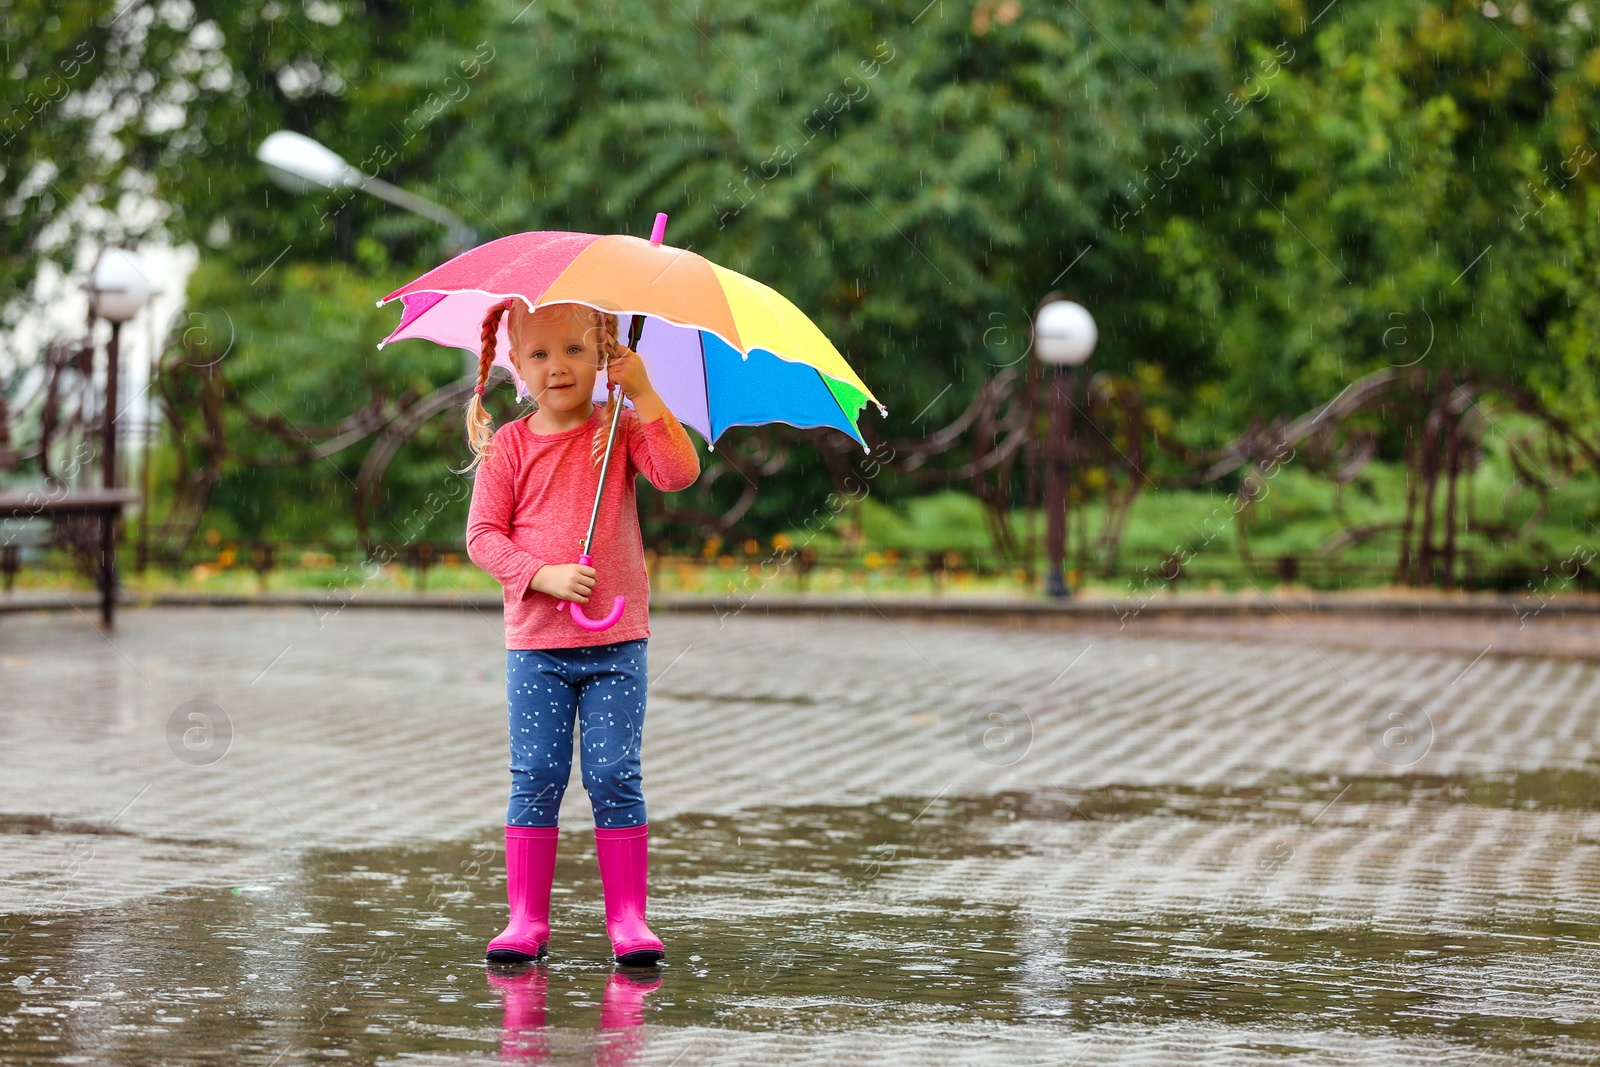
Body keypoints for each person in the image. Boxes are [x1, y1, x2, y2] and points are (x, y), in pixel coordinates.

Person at [462, 298, 700, 966]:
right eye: (539, 354)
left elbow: (678, 473)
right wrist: (541, 574)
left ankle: (628, 918)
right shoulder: (509, 445)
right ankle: (525, 918)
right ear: (516, 365)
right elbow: (483, 536)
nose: (557, 366)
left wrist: (646, 393)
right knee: (536, 773)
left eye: (573, 350)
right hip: (538, 647)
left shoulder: (621, 428)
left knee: (614, 774)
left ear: (602, 356)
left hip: (616, 643)